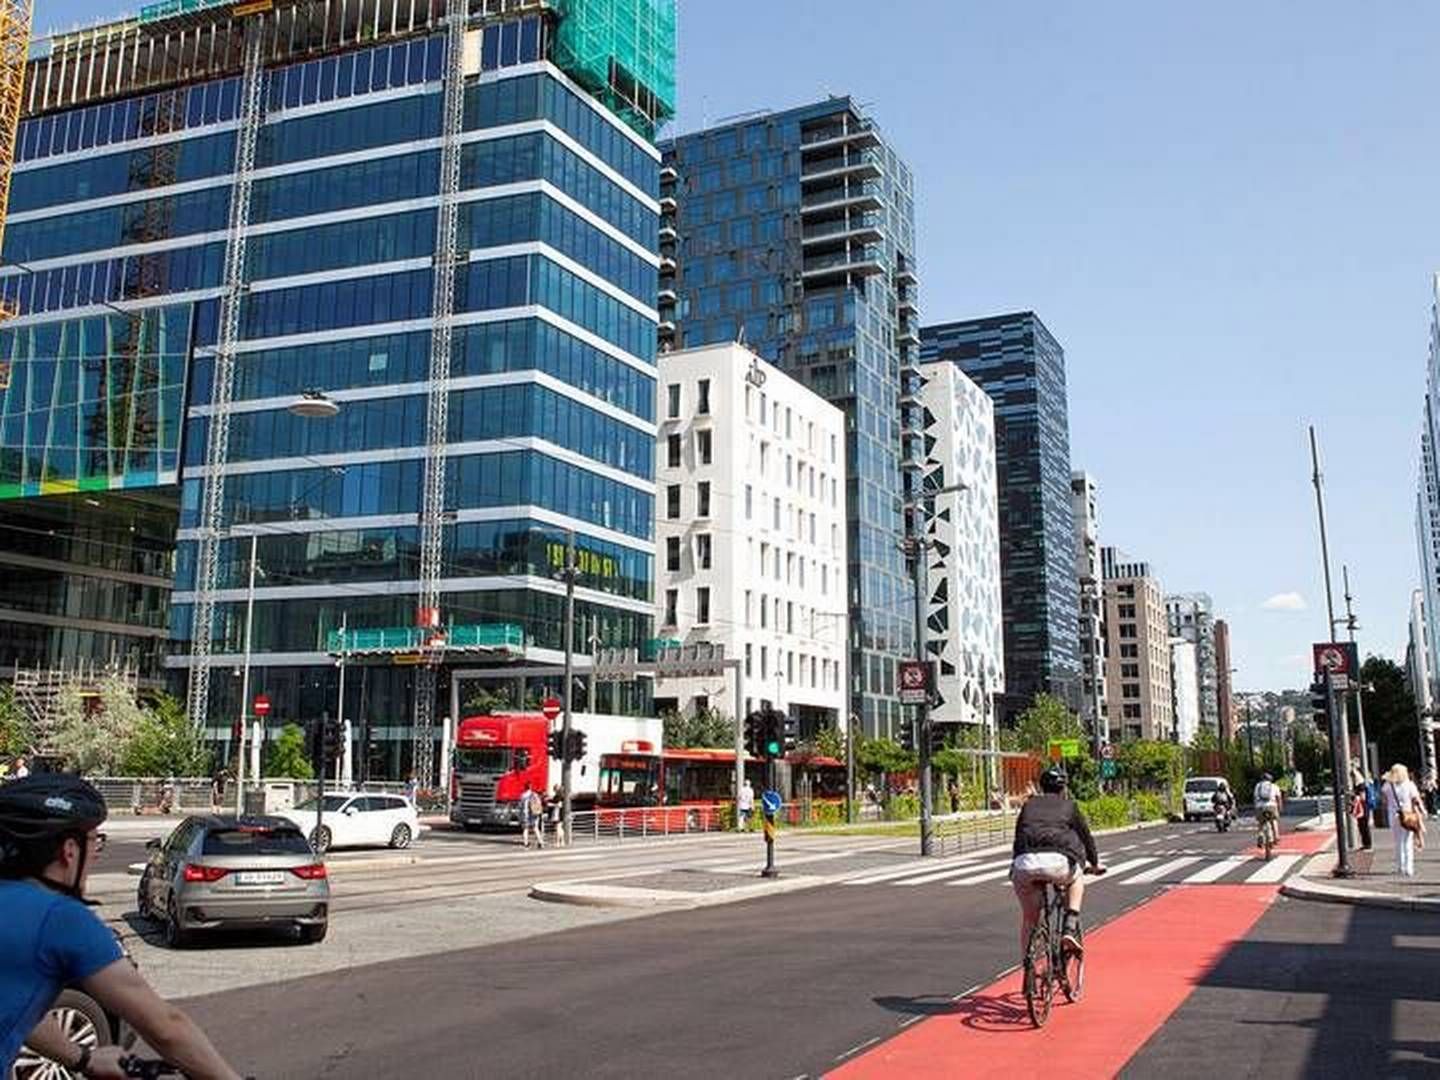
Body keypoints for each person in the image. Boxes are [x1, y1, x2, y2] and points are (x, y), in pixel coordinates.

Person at [0, 774, 242, 1079]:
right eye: (95, 841)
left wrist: (81, 1058)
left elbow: (16, 1008)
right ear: (69, 850)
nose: (95, 855)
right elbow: (167, 1027)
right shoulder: (60, 918)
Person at [1009, 766, 1102, 956]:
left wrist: (1016, 863)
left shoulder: (1029, 805)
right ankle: (1070, 924)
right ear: (1063, 788)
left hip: (1024, 864)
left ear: (1041, 787)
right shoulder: (1069, 806)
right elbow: (1086, 837)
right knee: (1076, 878)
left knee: (1029, 919)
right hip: (1059, 863)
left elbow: (1018, 836)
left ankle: (1029, 968)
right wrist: (1094, 863)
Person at [1384, 764, 1425, 877]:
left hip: (1393, 815)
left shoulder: (1388, 785)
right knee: (1407, 841)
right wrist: (1422, 810)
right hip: (1407, 815)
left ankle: (1400, 867)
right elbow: (1416, 799)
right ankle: (1409, 868)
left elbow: (1384, 799)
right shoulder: (1409, 785)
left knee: (1398, 842)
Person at [1252, 772, 1282, 847]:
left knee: (1261, 823)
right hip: (1272, 806)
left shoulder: (1258, 786)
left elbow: (1255, 798)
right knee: (1274, 821)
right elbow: (1278, 798)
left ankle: (1260, 836)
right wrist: (1279, 808)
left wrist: (1256, 808)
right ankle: (1276, 837)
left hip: (1260, 807)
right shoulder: (1274, 786)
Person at [1350, 768, 1374, 851]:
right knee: (1362, 825)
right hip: (1363, 807)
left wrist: (1355, 796)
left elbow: (1362, 797)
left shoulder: (1360, 785)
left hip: (1363, 807)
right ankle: (1366, 843)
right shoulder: (1361, 784)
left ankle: (1367, 844)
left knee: (1364, 825)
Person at [520, 782, 544, 849]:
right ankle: (540, 842)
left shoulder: (523, 795)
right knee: (535, 828)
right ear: (530, 787)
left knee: (525, 829)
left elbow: (521, 806)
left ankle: (526, 843)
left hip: (525, 814)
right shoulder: (534, 794)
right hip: (534, 814)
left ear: (525, 787)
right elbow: (539, 803)